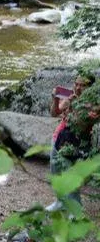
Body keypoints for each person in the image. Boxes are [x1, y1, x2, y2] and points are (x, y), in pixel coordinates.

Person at [47, 73, 95, 211]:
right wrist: (56, 98)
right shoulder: (70, 96)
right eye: (76, 84)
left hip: (77, 142)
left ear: (90, 87)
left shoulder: (93, 103)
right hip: (59, 137)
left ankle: (76, 208)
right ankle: (60, 202)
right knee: (55, 170)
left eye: (82, 85)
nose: (78, 88)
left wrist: (73, 105)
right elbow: (54, 113)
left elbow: (81, 124)